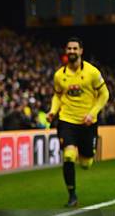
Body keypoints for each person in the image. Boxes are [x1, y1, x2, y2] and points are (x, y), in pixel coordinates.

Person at [46, 37, 109, 207]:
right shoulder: (59, 75)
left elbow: (104, 94)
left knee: (86, 163)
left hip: (88, 122)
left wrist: (92, 113)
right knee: (68, 156)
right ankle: (72, 195)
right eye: (69, 48)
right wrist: (53, 111)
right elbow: (58, 95)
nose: (72, 51)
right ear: (66, 51)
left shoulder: (92, 72)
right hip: (67, 121)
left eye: (75, 48)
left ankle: (87, 156)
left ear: (81, 51)